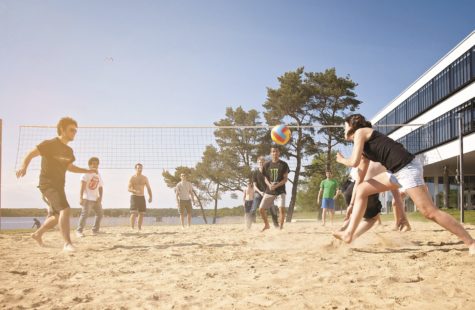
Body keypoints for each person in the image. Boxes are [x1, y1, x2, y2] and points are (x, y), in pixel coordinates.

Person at [333, 114, 475, 255]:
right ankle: (349, 234)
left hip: (407, 168)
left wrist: (341, 160)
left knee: (429, 212)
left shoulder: (360, 132)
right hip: (396, 172)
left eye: (345, 126)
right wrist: (352, 203)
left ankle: (471, 242)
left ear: (352, 126)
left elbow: (353, 162)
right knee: (362, 189)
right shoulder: (363, 145)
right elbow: (361, 170)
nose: (343, 130)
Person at [16, 117, 96, 252]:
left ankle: (37, 234)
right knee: (65, 209)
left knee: (57, 216)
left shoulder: (69, 151)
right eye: (72, 130)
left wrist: (87, 170)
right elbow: (31, 153)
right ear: (62, 130)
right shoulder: (49, 144)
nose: (74, 133)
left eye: (76, 131)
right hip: (47, 184)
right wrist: (24, 166)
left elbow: (70, 167)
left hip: (59, 186)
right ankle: (67, 243)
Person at [259, 146, 290, 231]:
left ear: (279, 153)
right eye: (273, 151)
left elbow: (285, 179)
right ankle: (267, 225)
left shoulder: (284, 164)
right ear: (271, 153)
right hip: (270, 190)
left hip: (280, 190)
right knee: (261, 209)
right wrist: (269, 185)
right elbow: (265, 178)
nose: (275, 153)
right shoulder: (266, 165)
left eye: (276, 151)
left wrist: (276, 185)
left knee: (281, 209)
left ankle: (280, 227)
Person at [76, 157, 104, 237]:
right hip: (87, 198)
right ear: (89, 165)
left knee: (100, 214)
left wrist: (100, 197)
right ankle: (79, 231)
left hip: (96, 198)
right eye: (93, 164)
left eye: (97, 164)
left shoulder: (98, 174)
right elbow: (82, 186)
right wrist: (81, 197)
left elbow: (101, 187)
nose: (95, 165)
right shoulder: (86, 173)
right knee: (85, 215)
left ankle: (95, 230)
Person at [252, 156, 279, 227]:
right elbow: (254, 186)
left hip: (268, 193)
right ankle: (248, 224)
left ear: (265, 163)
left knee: (272, 209)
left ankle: (276, 225)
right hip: (258, 193)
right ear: (257, 163)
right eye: (259, 162)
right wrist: (260, 192)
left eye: (262, 162)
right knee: (253, 209)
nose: (261, 163)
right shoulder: (255, 172)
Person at [128, 163, 152, 231]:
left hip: (142, 197)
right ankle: (132, 228)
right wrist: (134, 191)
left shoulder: (144, 178)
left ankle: (139, 228)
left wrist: (150, 197)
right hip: (134, 196)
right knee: (133, 213)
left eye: (141, 168)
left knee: (141, 213)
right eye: (138, 168)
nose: (140, 169)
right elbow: (128, 188)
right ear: (135, 169)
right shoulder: (132, 178)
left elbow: (148, 188)